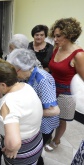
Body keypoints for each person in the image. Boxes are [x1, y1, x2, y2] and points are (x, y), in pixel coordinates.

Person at [0, 58, 43, 165]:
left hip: (21, 152)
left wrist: (10, 149)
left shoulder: (8, 103)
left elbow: (14, 143)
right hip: (35, 142)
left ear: (3, 85)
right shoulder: (26, 87)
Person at [6, 48, 60, 165]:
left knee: (36, 152)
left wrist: (28, 113)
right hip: (34, 122)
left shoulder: (42, 79)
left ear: (21, 69)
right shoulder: (26, 77)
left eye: (14, 71)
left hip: (44, 125)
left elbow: (54, 110)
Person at [46, 17, 84, 151]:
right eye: (54, 36)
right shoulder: (57, 48)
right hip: (51, 88)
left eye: (58, 36)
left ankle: (56, 140)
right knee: (49, 115)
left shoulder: (78, 55)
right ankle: (48, 135)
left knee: (61, 120)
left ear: (70, 35)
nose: (55, 39)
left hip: (66, 94)